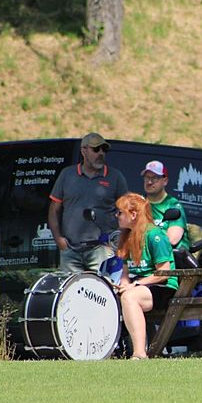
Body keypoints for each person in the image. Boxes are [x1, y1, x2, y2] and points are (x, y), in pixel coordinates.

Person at [48, 133, 128, 273]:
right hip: (70, 250)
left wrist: (116, 242)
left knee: (104, 286)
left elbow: (127, 211)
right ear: (84, 151)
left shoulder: (115, 176)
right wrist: (59, 239)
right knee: (71, 287)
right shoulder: (67, 175)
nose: (101, 153)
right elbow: (54, 210)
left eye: (104, 150)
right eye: (96, 149)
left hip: (102, 250)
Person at [113, 193, 178, 359]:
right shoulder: (127, 237)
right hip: (140, 287)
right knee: (110, 296)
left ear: (133, 214)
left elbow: (164, 272)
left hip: (163, 288)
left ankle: (139, 353)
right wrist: (124, 285)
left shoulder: (155, 235)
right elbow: (125, 273)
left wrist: (134, 285)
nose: (116, 215)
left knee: (129, 297)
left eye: (120, 212)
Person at [140, 160, 189, 251]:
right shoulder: (138, 203)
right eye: (147, 178)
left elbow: (173, 240)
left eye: (154, 178)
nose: (149, 182)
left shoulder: (173, 205)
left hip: (170, 255)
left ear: (165, 181)